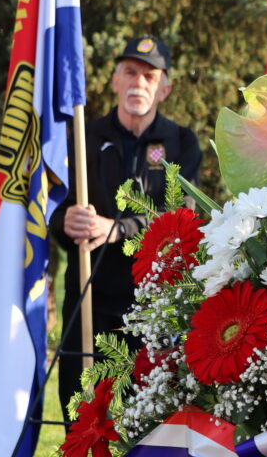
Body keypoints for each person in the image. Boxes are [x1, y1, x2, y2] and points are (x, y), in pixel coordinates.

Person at [49, 35, 201, 417]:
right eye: (130, 72)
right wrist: (66, 221)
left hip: (153, 310)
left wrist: (118, 229)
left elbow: (180, 217)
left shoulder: (182, 144)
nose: (138, 83)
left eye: (150, 76)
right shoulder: (83, 137)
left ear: (165, 89)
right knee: (82, 420)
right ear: (115, 81)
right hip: (89, 302)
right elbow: (54, 208)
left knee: (148, 427)